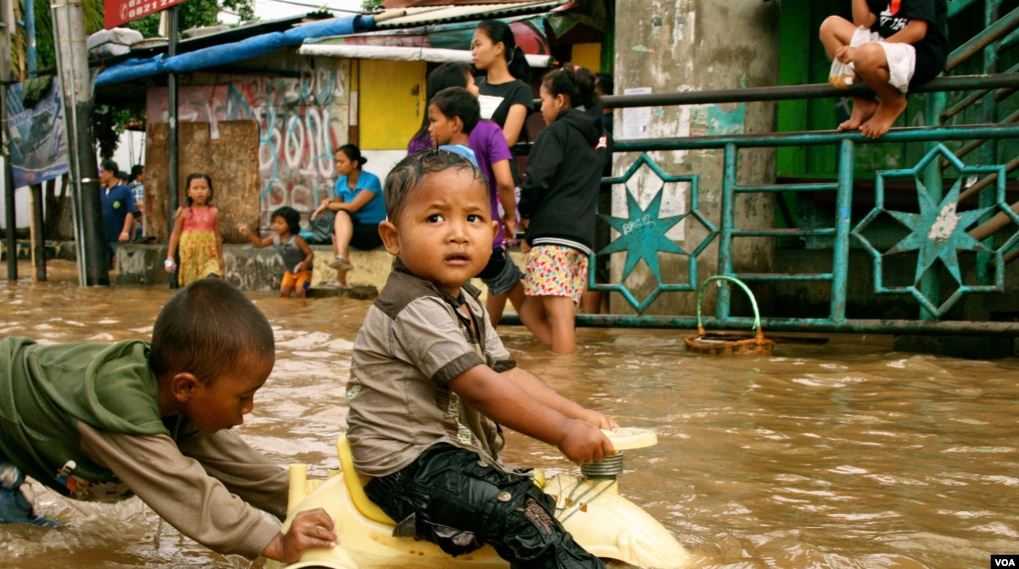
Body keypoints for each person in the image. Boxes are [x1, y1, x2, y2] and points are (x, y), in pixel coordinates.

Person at [347, 150, 616, 568]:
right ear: (392, 238)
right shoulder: (413, 306)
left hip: (440, 456)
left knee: (533, 496)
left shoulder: (467, 303)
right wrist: (562, 433)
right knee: (513, 509)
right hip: (403, 468)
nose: (457, 234)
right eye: (435, 218)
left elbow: (507, 374)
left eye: (472, 219)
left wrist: (576, 413)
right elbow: (481, 387)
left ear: (492, 233)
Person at [0, 279, 336, 563]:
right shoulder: (118, 409)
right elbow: (187, 491)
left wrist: (318, 501)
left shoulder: (176, 403)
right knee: (21, 540)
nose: (250, 408)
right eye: (243, 396)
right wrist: (274, 542)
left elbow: (244, 470)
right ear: (186, 387)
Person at [408, 63, 523, 325]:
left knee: (446, 296)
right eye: (472, 83)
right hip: (482, 233)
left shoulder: (420, 141)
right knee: (506, 282)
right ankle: (487, 336)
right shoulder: (487, 130)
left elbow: (412, 192)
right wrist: (510, 218)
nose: (477, 87)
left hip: (434, 235)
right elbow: (505, 182)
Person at [517, 65, 603, 354]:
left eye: (544, 99)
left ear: (561, 100)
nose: (541, 107)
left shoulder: (556, 133)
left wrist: (524, 214)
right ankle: (564, 366)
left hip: (552, 236)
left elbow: (537, 180)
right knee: (531, 310)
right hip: (580, 236)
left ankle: (566, 378)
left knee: (560, 317)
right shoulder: (596, 136)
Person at [819, 0, 948, 138]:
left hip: (920, 53)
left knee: (864, 56)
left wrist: (867, 51)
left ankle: (892, 101)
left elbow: (917, 31)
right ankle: (863, 101)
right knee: (829, 27)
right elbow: (864, 23)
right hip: (885, 46)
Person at [310, 144, 385, 287]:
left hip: (374, 232)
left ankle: (341, 273)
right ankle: (342, 265)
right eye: (336, 162)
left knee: (342, 217)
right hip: (352, 231)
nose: (337, 165)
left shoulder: (371, 181)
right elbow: (338, 209)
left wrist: (327, 204)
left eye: (341, 162)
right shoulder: (340, 183)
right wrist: (330, 204)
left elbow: (354, 206)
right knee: (339, 220)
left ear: (355, 163)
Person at [472, 20, 534, 149]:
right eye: (473, 47)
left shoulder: (519, 90)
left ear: (499, 48)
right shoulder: (474, 84)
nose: (474, 51)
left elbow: (507, 139)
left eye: (478, 45)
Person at [238, 206, 314, 298]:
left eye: (280, 223)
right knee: (283, 293)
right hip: (290, 273)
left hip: (305, 273)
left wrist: (305, 263)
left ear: (290, 225)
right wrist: (249, 234)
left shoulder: (297, 240)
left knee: (300, 291)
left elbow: (310, 254)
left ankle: (303, 307)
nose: (276, 225)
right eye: (274, 222)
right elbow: (260, 244)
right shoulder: (275, 238)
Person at [165, 173, 224, 286]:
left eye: (203, 188)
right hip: (189, 258)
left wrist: (220, 259)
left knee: (212, 279)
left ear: (209, 191)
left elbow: (217, 237)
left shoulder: (213, 212)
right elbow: (175, 235)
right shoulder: (183, 212)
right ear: (189, 192)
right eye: (195, 188)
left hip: (210, 257)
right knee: (193, 289)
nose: (199, 191)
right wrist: (170, 257)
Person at [98, 159, 137, 269]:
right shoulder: (100, 191)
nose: (100, 175)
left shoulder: (124, 190)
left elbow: (130, 212)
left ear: (111, 172)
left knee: (120, 266)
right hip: (103, 236)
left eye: (102, 172)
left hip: (118, 236)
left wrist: (125, 231)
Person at [427, 86, 481, 165]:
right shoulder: (469, 158)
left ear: (455, 124)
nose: (429, 128)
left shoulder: (447, 163)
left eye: (434, 121)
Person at [128, 165, 145, 241]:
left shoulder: (129, 186)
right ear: (139, 176)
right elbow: (140, 204)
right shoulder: (138, 187)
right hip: (139, 216)